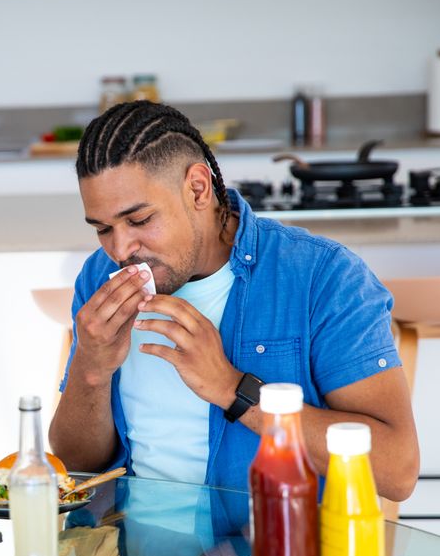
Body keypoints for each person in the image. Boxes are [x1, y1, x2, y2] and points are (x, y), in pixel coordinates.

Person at [49, 100, 419, 502]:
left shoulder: (320, 276)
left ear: (198, 188)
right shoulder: (99, 278)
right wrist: (91, 368)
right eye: (103, 228)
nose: (121, 249)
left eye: (139, 221)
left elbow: (397, 470)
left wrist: (233, 390)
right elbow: (76, 464)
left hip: (266, 555)